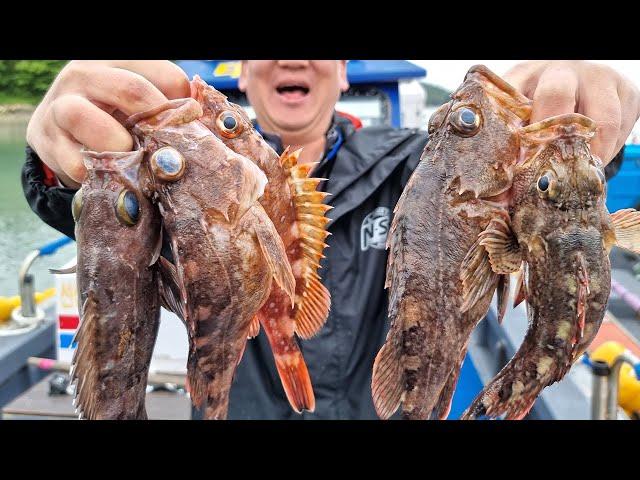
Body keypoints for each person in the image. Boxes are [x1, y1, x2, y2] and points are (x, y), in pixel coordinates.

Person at [21, 60, 640, 419]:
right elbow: (114, 229)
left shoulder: (418, 166)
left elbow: (541, 203)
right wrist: (69, 163)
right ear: (245, 71)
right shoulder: (189, 169)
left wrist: (572, 126)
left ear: (344, 74)